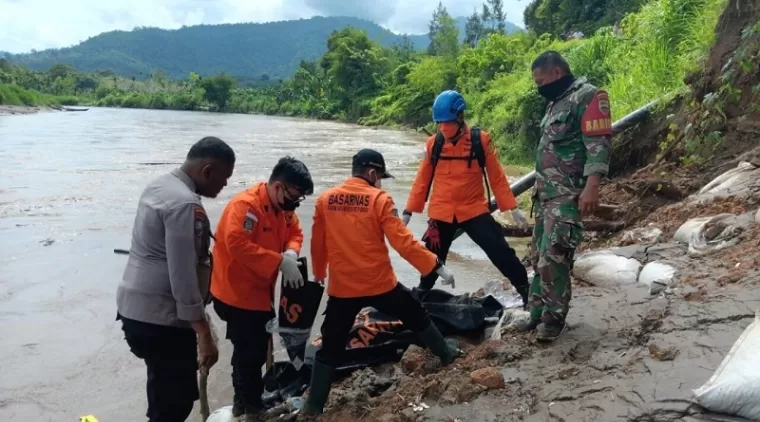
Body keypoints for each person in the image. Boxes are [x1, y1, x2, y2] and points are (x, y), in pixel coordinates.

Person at [299, 149, 461, 415]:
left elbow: (318, 242)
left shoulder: (326, 200)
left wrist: (319, 273)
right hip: (380, 283)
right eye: (380, 177)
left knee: (330, 345)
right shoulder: (379, 199)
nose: (381, 182)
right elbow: (403, 242)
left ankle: (313, 407)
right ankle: (446, 353)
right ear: (373, 174)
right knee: (414, 312)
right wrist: (436, 265)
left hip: (343, 288)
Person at [116, 136, 235, 422]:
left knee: (162, 390)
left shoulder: (159, 185)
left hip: (133, 311)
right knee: (175, 405)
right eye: (224, 177)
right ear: (207, 171)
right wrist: (204, 333)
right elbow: (182, 276)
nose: (226, 185)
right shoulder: (185, 204)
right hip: (162, 319)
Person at [402, 90, 530, 306]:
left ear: (460, 117)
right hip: (441, 211)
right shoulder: (434, 144)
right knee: (430, 256)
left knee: (499, 250)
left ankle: (526, 290)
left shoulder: (481, 141)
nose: (444, 127)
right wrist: (409, 210)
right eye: (440, 123)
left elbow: (497, 177)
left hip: (473, 209)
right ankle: (422, 294)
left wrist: (512, 208)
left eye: (448, 122)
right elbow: (422, 179)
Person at [517, 51, 612, 341]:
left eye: (541, 80)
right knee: (538, 256)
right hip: (546, 195)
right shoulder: (555, 102)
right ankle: (536, 313)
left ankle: (553, 319)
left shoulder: (589, 97)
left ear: (557, 73)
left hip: (568, 193)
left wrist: (591, 187)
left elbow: (598, 143)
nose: (539, 87)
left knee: (555, 255)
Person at [210, 156, 314, 420]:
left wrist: (290, 253)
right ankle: (251, 408)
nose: (295, 203)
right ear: (278, 186)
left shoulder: (283, 208)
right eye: (294, 195)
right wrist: (278, 261)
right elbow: (237, 244)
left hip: (259, 291)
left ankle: (242, 403)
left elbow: (295, 232)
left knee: (251, 349)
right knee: (249, 351)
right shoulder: (247, 207)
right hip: (235, 292)